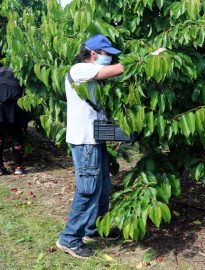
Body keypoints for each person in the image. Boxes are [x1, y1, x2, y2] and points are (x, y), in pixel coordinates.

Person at [56, 34, 166, 259]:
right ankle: (69, 238)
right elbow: (116, 70)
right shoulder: (79, 69)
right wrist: (147, 57)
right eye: (107, 54)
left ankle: (92, 230)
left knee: (103, 186)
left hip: (94, 138)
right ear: (93, 53)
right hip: (84, 140)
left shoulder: (94, 76)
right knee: (88, 189)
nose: (110, 58)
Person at [0, 63, 28, 175]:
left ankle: (0, 168)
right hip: (15, 106)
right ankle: (18, 167)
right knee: (16, 137)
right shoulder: (19, 74)